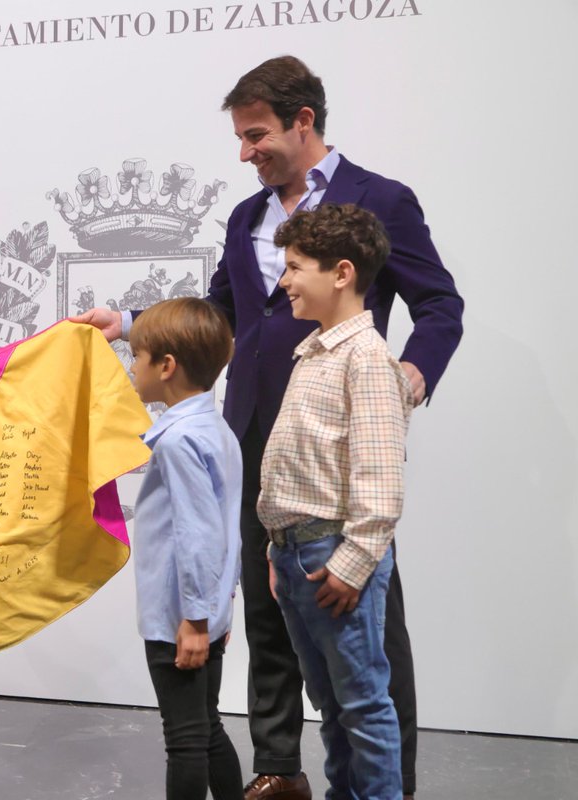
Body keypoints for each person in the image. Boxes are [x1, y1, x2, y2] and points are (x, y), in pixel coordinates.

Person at [71, 56, 463, 800]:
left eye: (256, 136)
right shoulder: (246, 217)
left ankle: (390, 783)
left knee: (366, 621)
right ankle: (279, 768)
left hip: (336, 441)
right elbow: (219, 312)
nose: (245, 152)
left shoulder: (381, 199)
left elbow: (441, 306)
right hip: (251, 431)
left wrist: (410, 375)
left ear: (303, 121)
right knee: (266, 603)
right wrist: (126, 325)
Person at [261, 202, 412, 799]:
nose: (284, 281)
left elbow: (379, 478)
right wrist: (281, 556)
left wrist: (352, 563)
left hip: (334, 556)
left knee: (363, 705)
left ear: (342, 273)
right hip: (298, 556)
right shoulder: (315, 351)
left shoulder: (368, 358)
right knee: (331, 703)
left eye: (295, 267)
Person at [128, 298, 244, 800]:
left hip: (179, 618)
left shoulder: (178, 442)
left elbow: (198, 534)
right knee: (207, 726)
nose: (132, 366)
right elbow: (225, 530)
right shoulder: (217, 430)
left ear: (166, 367)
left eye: (137, 356)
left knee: (186, 739)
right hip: (206, 614)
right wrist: (218, 611)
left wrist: (194, 620)